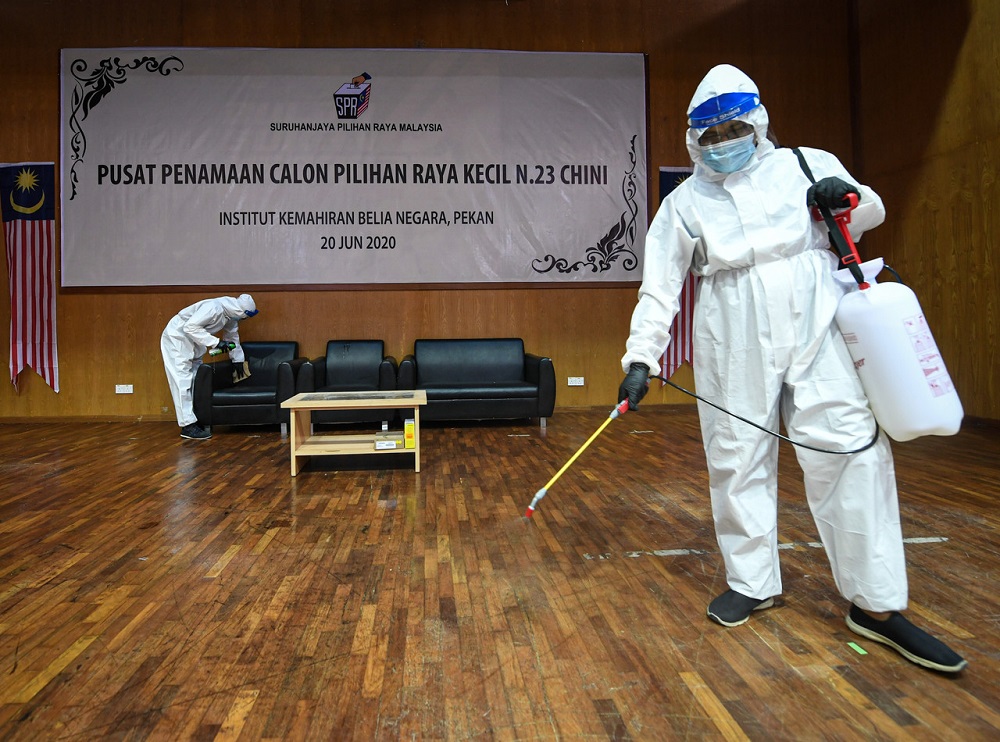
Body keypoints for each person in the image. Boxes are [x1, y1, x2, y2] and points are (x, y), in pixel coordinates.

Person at [618, 64, 966, 673]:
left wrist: (841, 199)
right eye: (711, 132)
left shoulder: (806, 163)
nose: (724, 140)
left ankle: (876, 606)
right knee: (736, 452)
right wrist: (641, 358)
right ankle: (752, 582)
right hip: (730, 325)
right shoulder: (682, 204)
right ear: (694, 139)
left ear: (757, 122)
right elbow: (661, 286)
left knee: (850, 449)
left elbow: (871, 209)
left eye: (734, 127)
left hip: (816, 312)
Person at [160, 294, 258, 440]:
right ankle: (187, 426)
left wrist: (238, 360)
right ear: (240, 312)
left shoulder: (229, 317)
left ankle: (194, 419)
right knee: (182, 382)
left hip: (193, 342)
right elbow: (189, 327)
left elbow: (232, 337)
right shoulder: (214, 308)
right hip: (177, 339)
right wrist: (215, 342)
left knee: (196, 379)